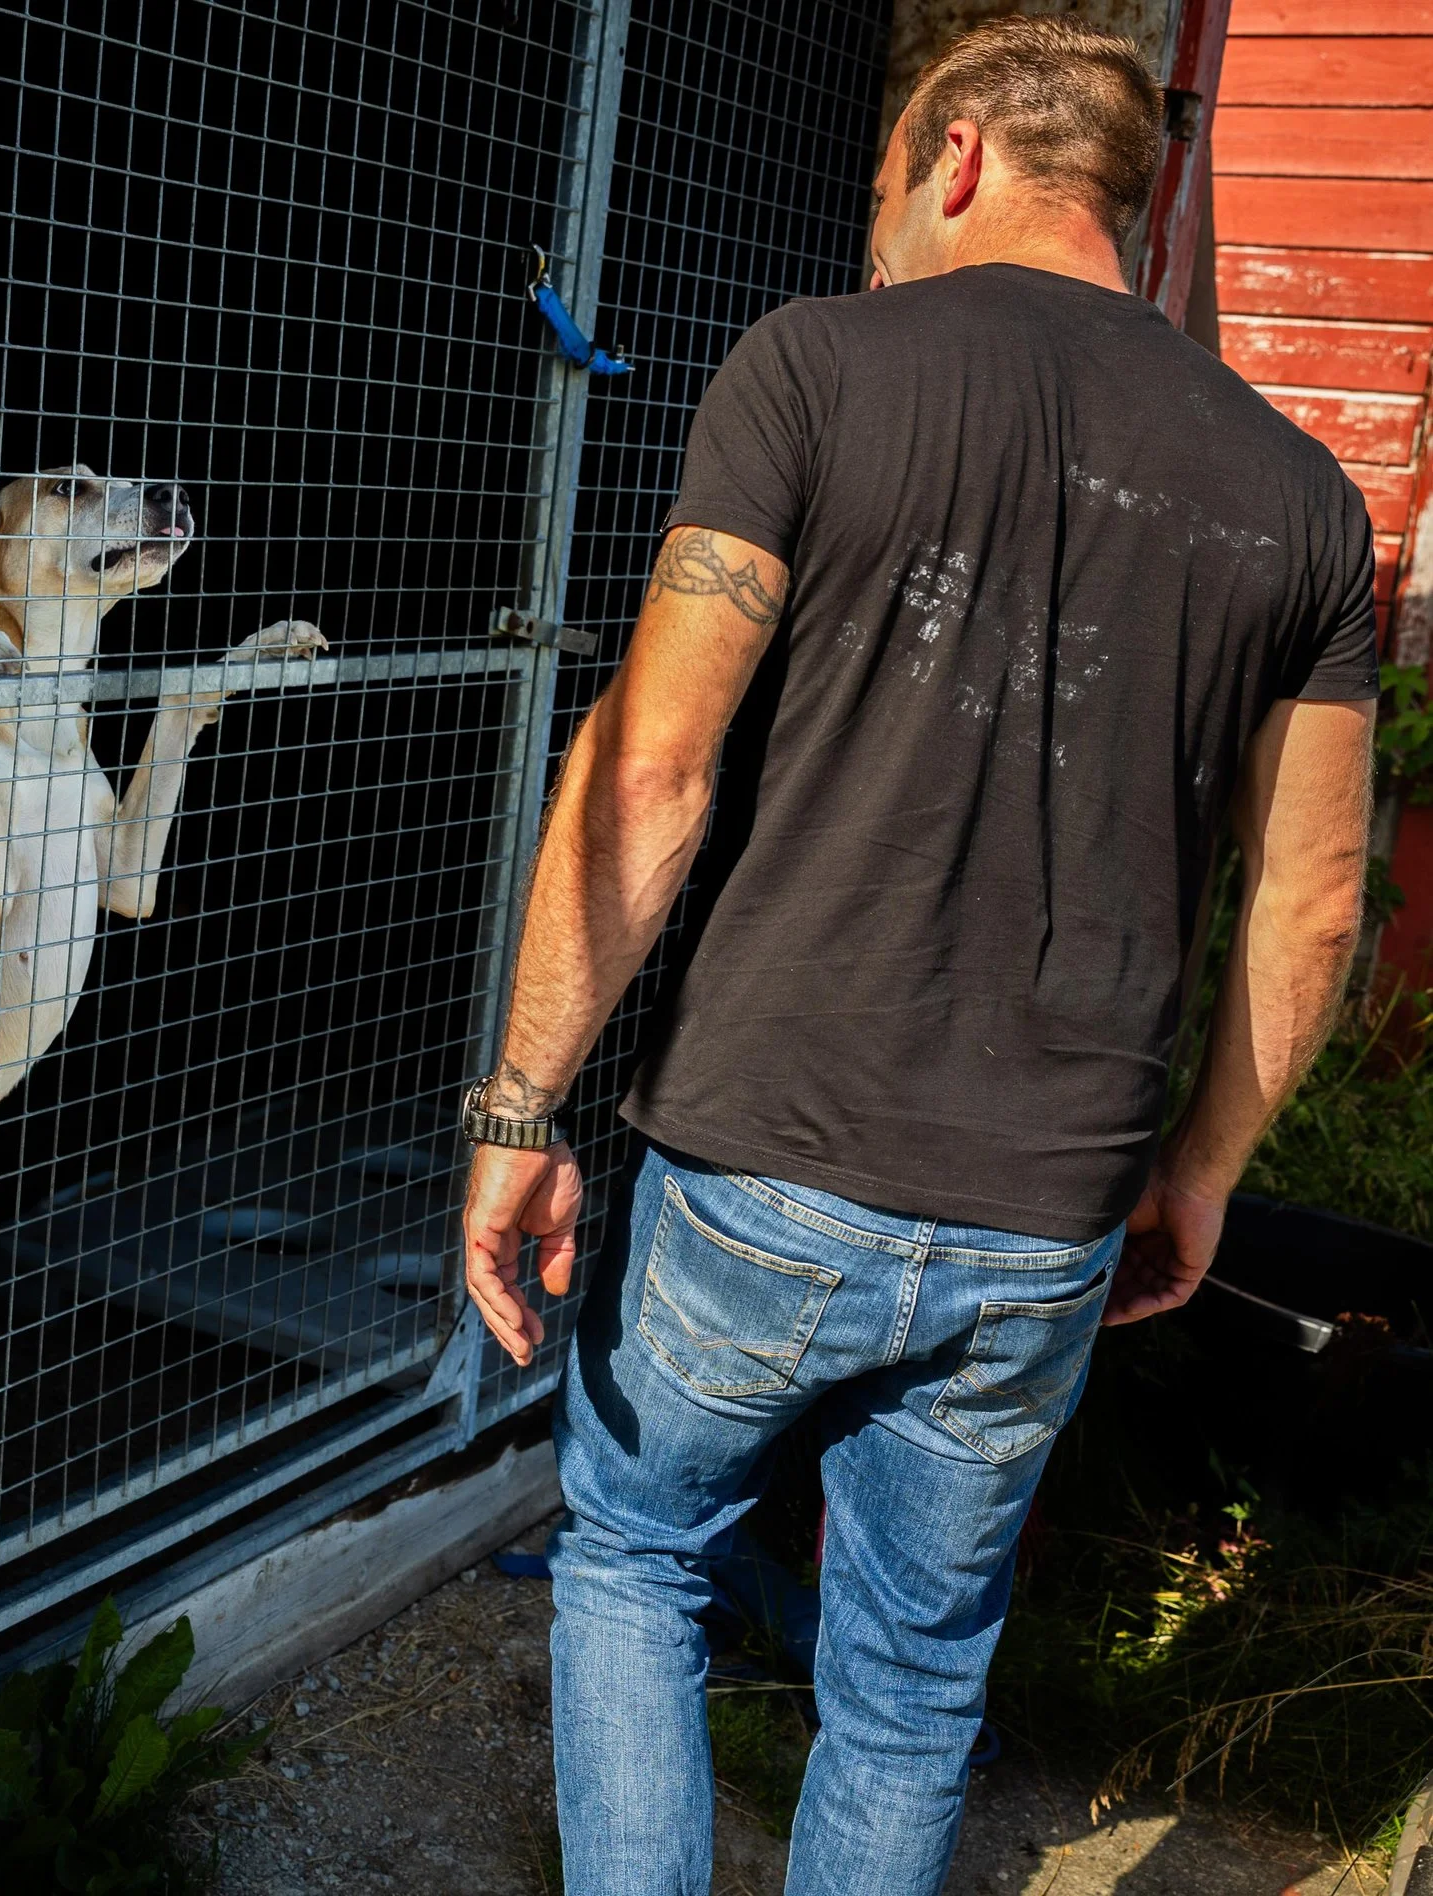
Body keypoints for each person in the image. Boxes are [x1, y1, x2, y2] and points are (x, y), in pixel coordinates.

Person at [456, 17, 1379, 1896]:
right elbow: (1314, 906)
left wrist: (519, 1098)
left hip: (763, 1159)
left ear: (955, 158)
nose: (873, 228)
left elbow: (654, 760)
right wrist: (1199, 1176)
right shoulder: (1306, 504)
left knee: (633, 1559)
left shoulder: (815, 366)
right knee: (916, 1675)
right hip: (1047, 1215)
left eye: (880, 185)